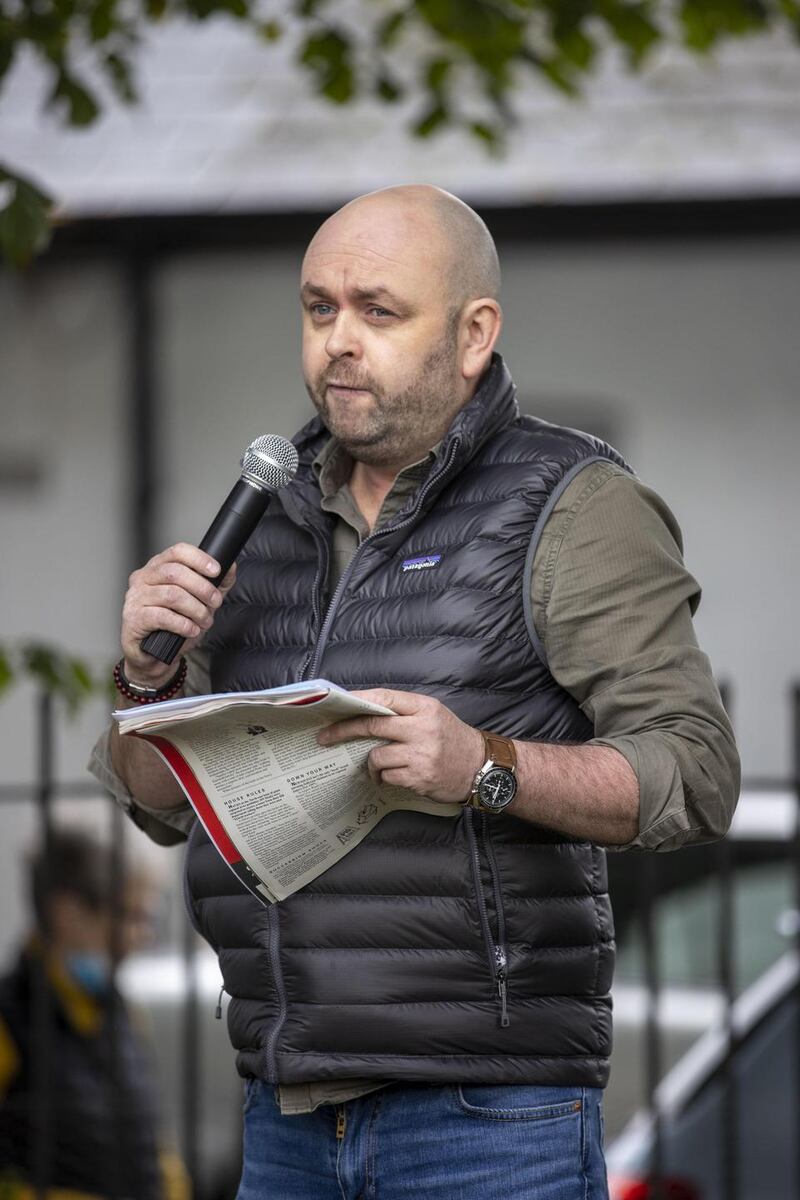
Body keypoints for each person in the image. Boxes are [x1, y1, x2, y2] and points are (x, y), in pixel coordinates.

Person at [90, 185, 740, 1199]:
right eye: (319, 309)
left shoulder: (570, 506)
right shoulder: (262, 516)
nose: (338, 342)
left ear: (473, 334)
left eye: (378, 312)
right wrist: (146, 678)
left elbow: (694, 773)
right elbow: (161, 804)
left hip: (487, 1123)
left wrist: (484, 767)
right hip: (284, 1116)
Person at [0, 826, 187, 1200]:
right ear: (67, 912)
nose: (143, 935)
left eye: (149, 917)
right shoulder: (10, 1017)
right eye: (130, 916)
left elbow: (147, 1137)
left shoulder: (121, 1011)